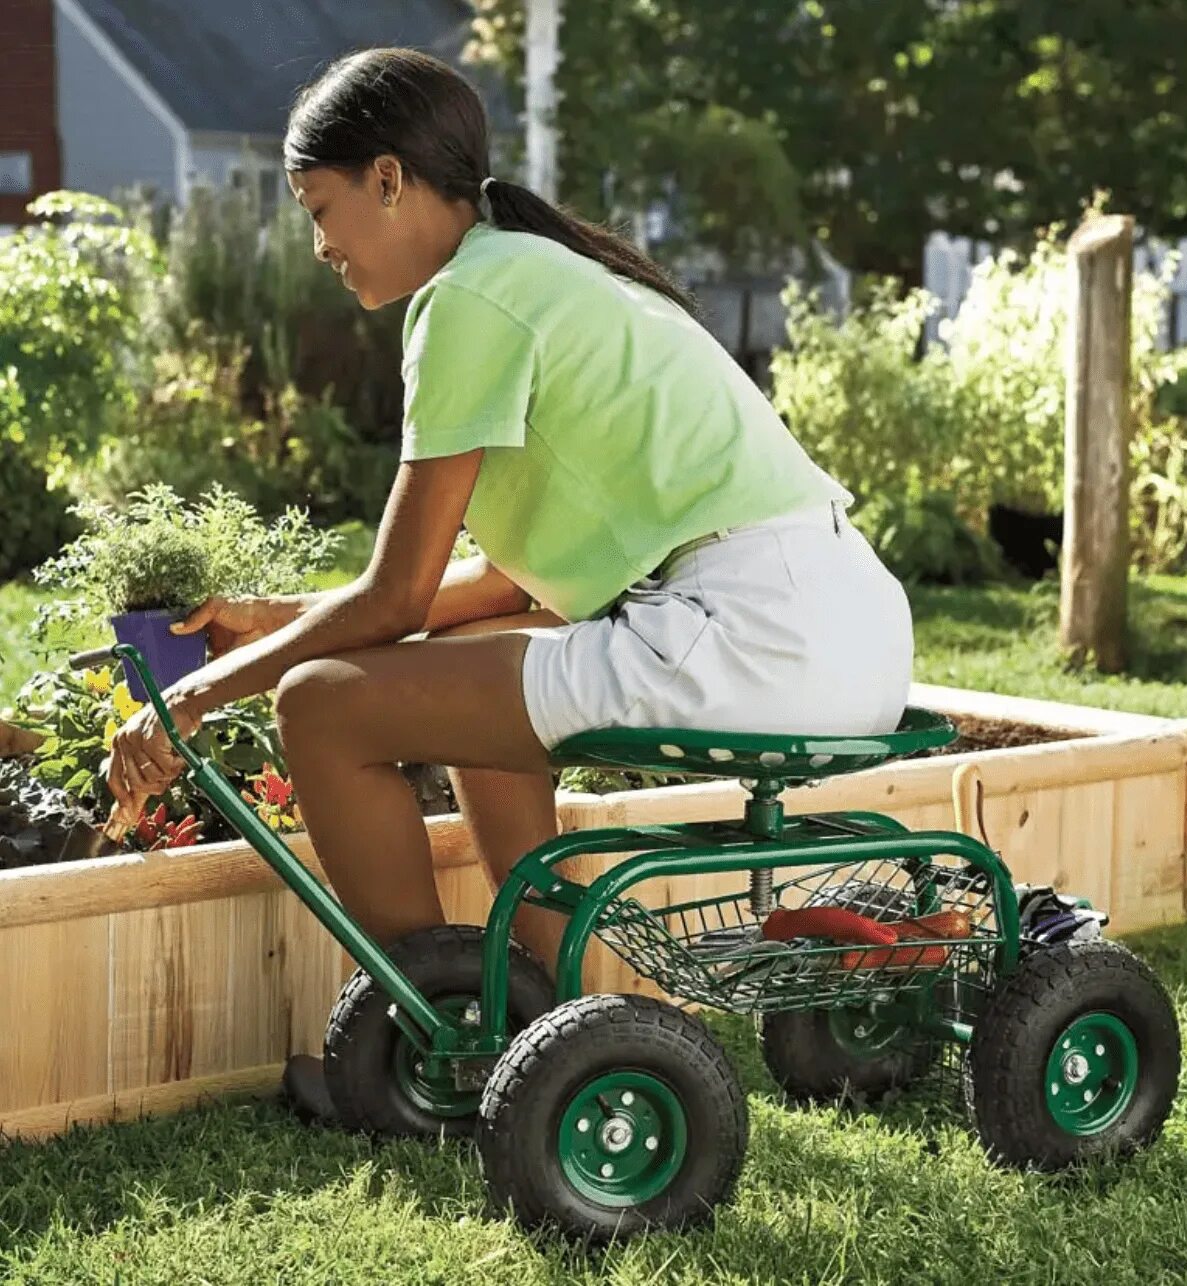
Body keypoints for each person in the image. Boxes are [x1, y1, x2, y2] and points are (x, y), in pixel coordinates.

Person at [104, 47, 914, 1124]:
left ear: (388, 179)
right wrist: (277, 620)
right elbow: (489, 589)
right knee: (475, 693)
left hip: (750, 635)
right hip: (838, 627)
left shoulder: (469, 300)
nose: (319, 245)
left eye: (322, 206)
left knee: (323, 704)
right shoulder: (538, 272)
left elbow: (395, 600)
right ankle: (549, 1032)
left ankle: (433, 1047)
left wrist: (197, 698)